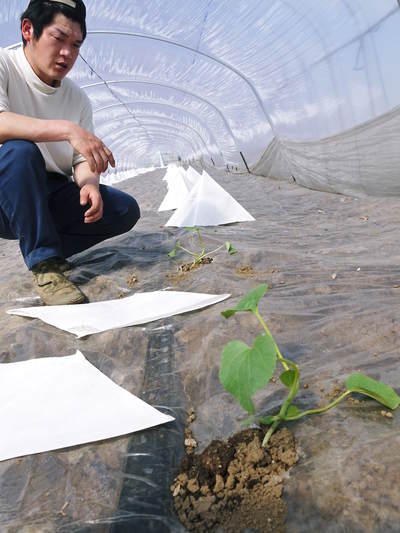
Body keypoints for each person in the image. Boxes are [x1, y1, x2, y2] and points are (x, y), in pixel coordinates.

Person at [0, 0, 140, 305]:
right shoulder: (4, 66)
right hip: (7, 189)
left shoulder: (77, 99)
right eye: (58, 39)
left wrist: (89, 184)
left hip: (50, 193)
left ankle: (46, 248)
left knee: (124, 209)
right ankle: (45, 266)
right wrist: (67, 130)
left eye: (76, 45)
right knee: (19, 151)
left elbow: (80, 160)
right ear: (28, 30)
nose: (67, 53)